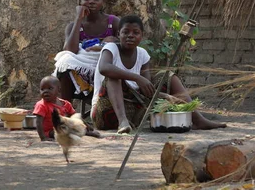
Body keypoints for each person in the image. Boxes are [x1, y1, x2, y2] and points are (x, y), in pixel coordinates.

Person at [92, 15, 227, 133]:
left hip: (134, 112)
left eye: (136, 32)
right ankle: (122, 122)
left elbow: (147, 91)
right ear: (118, 35)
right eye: (125, 32)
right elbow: (104, 68)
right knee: (113, 77)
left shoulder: (142, 54)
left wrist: (166, 97)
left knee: (166, 75)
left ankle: (197, 119)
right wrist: (136, 77)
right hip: (106, 114)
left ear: (142, 36)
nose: (130, 35)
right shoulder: (111, 48)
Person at [53, 0, 120, 101]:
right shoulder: (73, 26)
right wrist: (79, 18)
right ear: (80, 1)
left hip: (106, 69)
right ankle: (67, 110)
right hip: (82, 72)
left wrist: (104, 46)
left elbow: (125, 47)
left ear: (103, 1)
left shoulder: (113, 22)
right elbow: (70, 50)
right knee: (64, 61)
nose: (92, 1)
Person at [33, 76, 100, 141]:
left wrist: (86, 126)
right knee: (66, 132)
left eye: (50, 88)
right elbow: (39, 122)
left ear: (58, 90)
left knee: (75, 128)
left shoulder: (65, 104)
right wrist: (43, 137)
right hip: (51, 131)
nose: (45, 91)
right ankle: (81, 134)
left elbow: (76, 117)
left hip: (64, 127)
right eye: (42, 89)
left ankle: (87, 132)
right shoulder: (41, 105)